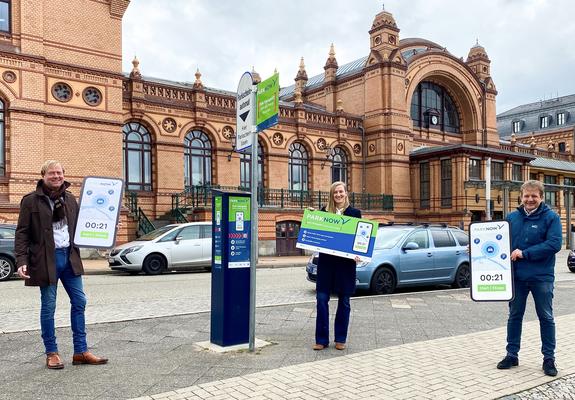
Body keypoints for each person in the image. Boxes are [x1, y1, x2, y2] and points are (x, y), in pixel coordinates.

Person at [15, 160, 108, 369]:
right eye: (51, 173)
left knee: (79, 301)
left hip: (70, 257)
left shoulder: (70, 198)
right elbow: (22, 233)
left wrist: (107, 228)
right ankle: (52, 352)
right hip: (46, 259)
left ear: (63, 175)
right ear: (43, 175)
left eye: (59, 173)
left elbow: (82, 225)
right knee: (49, 306)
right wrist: (21, 260)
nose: (56, 176)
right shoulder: (31, 200)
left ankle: (81, 351)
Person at [496, 180, 562, 376]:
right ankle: (511, 355)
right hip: (516, 277)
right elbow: (500, 243)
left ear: (541, 197)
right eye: (527, 195)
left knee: (546, 317)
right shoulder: (511, 218)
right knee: (514, 316)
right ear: (521, 197)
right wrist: (476, 248)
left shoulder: (552, 217)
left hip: (542, 277)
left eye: (534, 196)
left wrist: (525, 253)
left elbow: (554, 244)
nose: (530, 199)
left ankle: (548, 359)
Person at [313, 181, 361, 351]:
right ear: (331, 195)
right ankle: (321, 339)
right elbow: (315, 233)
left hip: (346, 265)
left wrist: (359, 254)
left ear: (346, 193)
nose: (338, 195)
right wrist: (312, 219)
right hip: (326, 263)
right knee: (321, 299)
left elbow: (359, 238)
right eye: (335, 192)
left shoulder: (355, 213)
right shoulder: (324, 213)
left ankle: (340, 338)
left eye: (341, 192)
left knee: (345, 302)